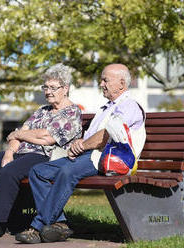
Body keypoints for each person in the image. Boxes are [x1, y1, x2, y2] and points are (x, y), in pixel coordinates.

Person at [15, 63, 146, 244]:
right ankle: (60, 225)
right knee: (38, 171)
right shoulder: (105, 108)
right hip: (89, 157)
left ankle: (37, 227)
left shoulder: (129, 106)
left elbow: (107, 134)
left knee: (67, 172)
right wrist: (79, 144)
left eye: (105, 80)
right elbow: (92, 136)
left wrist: (82, 145)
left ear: (122, 84)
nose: (101, 84)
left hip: (107, 159)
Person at [0, 63, 82, 239]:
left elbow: (48, 139)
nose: (48, 91)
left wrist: (22, 134)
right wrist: (9, 153)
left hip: (44, 157)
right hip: (20, 153)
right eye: (45, 87)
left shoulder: (72, 112)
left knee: (9, 171)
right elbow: (15, 136)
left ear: (65, 89)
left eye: (53, 88)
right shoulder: (42, 111)